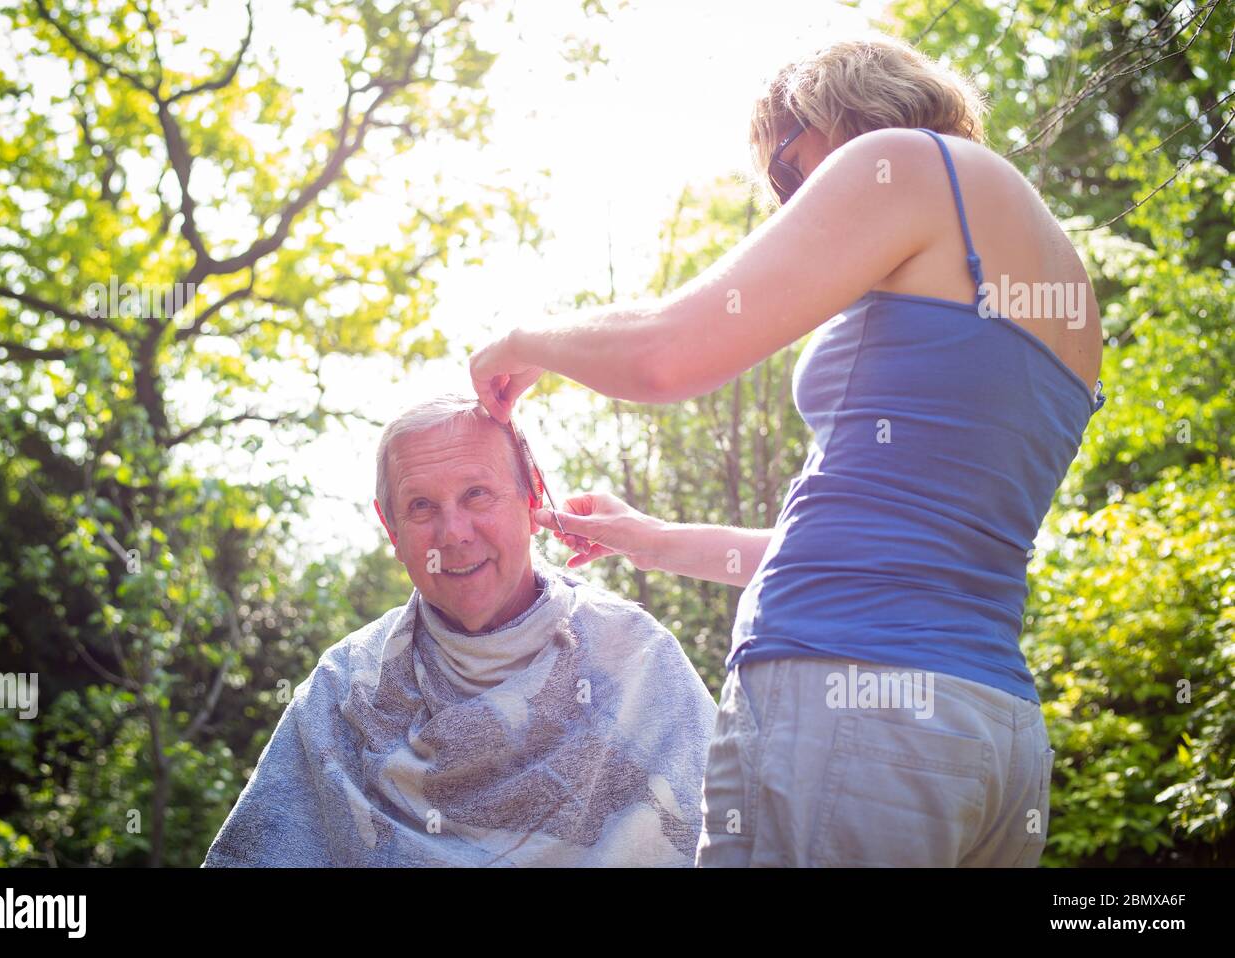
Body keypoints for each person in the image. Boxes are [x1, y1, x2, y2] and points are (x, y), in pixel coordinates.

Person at [469, 34, 1106, 867]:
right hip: (991, 734)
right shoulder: (1069, 291)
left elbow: (667, 351)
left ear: (835, 108)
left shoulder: (903, 163)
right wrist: (646, 538)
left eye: (786, 170)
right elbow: (857, 551)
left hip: (848, 711)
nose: (789, 203)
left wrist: (525, 339)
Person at [202, 394, 716, 867]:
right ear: (392, 530)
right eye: (421, 506)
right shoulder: (343, 691)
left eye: (477, 494)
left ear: (532, 496)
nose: (453, 534)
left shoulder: (637, 659)